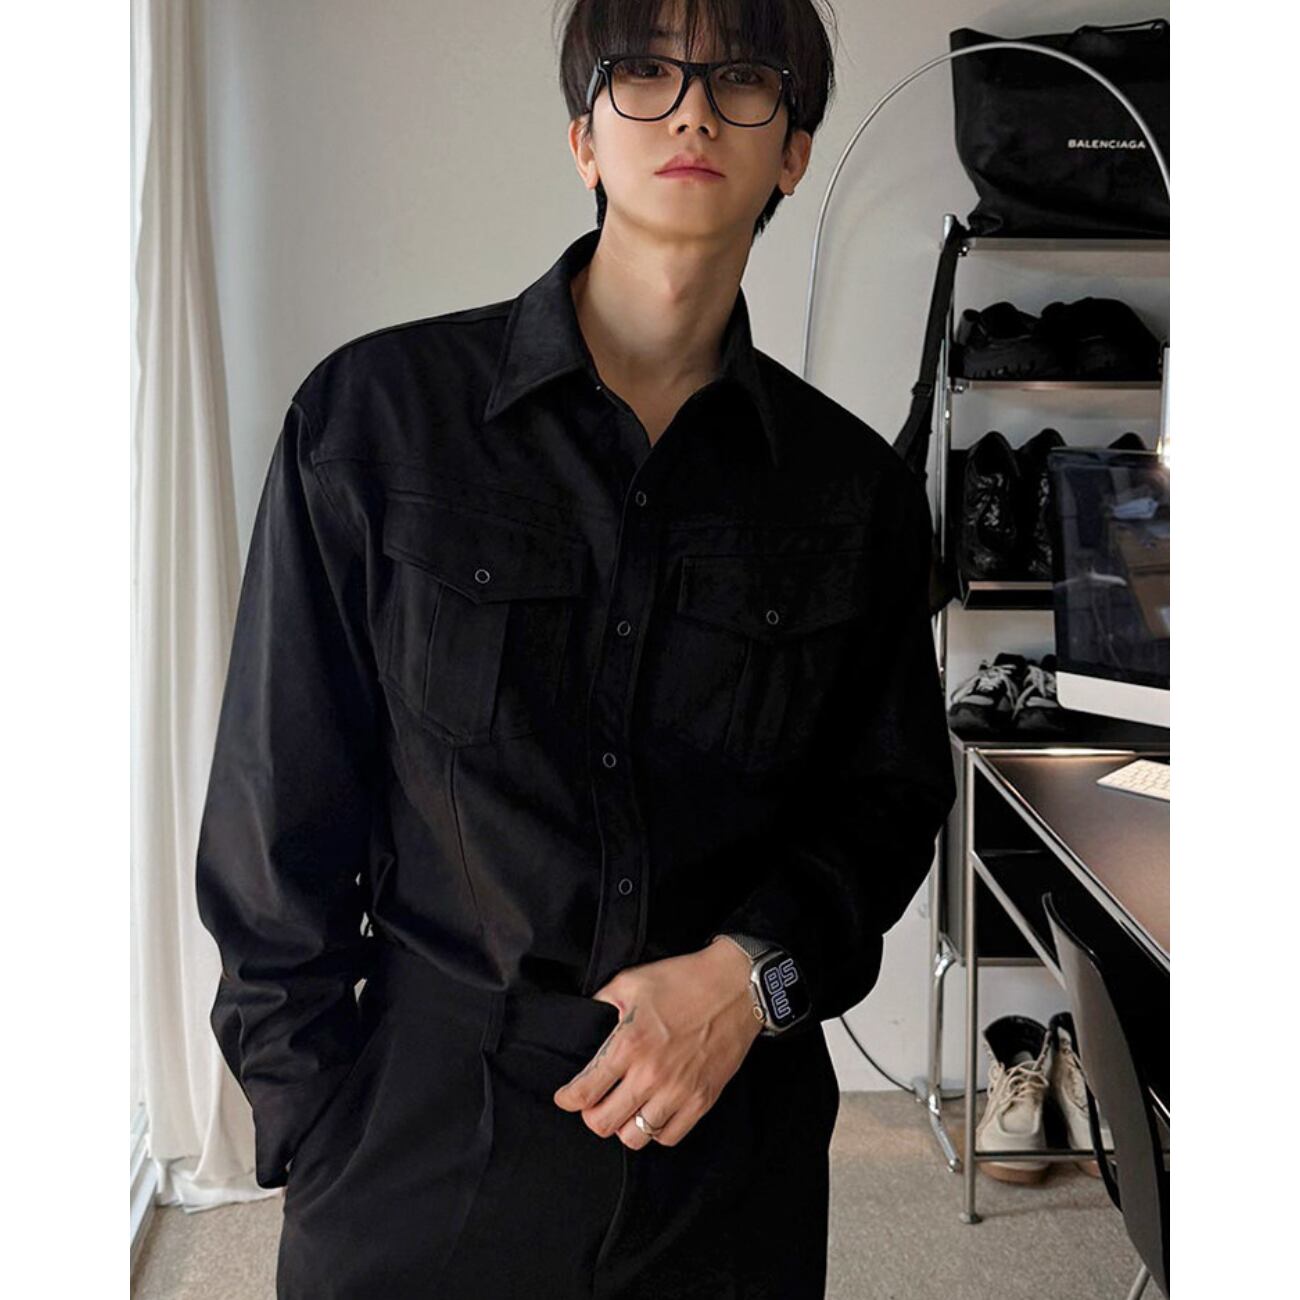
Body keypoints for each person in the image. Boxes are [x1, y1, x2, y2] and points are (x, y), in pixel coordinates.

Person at [194, 1, 956, 1296]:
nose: (694, 109)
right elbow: (280, 805)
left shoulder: (853, 494)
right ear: (583, 136)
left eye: (743, 78)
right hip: (428, 1127)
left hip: (726, 1146)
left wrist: (751, 979)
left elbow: (885, 806)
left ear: (793, 152)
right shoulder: (376, 423)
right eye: (645, 71)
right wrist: (311, 1123)